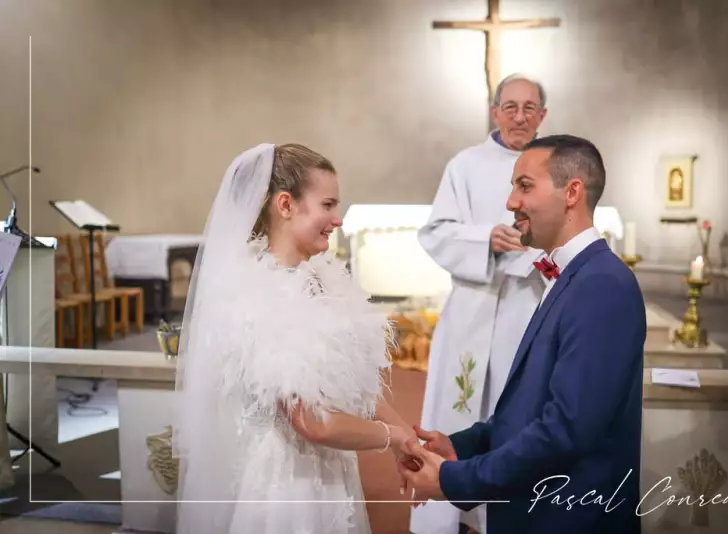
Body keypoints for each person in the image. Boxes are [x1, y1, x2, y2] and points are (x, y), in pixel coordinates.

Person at [400, 135, 646, 534]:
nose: (511, 202)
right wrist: (462, 446)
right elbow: (530, 410)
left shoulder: (603, 285)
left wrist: (454, 480)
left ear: (572, 193)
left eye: (524, 186)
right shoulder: (570, 276)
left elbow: (565, 430)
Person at [172, 143, 414, 534]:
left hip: (330, 466)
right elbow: (312, 423)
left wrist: (409, 435)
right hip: (288, 480)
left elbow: (358, 383)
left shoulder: (321, 279)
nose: (337, 219)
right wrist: (393, 438)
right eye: (328, 204)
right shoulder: (259, 294)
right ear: (286, 205)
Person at [412, 74, 549, 534]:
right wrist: (484, 239)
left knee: (516, 413)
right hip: (474, 307)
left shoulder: (556, 164)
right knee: (462, 409)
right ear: (495, 112)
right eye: (510, 106)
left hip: (529, 306)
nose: (519, 116)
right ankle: (455, 515)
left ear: (543, 116)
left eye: (529, 108)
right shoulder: (466, 165)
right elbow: (434, 232)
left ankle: (506, 514)